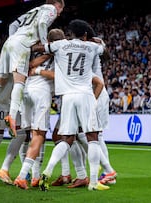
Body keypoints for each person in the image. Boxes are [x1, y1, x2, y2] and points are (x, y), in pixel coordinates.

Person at [35, 19, 109, 191]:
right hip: (85, 95)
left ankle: (48, 170)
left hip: (67, 97)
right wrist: (99, 41)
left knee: (66, 140)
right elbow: (104, 51)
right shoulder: (91, 46)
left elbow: (40, 48)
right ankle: (92, 182)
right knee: (93, 139)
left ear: (70, 34)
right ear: (84, 35)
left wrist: (36, 46)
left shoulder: (60, 45)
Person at [0, 0, 65, 138]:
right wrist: (44, 44)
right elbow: (42, 24)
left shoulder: (34, 9)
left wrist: (16, 40)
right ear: (58, 4)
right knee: (19, 82)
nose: (60, 13)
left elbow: (13, 25)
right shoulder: (51, 9)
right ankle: (11, 116)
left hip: (9, 42)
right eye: (61, 9)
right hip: (21, 46)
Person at [13, 28, 66, 190]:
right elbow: (57, 76)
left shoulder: (36, 52)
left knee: (32, 134)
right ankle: (23, 176)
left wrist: (40, 61)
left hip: (26, 91)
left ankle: (35, 176)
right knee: (39, 134)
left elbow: (29, 65)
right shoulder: (61, 54)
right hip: (41, 93)